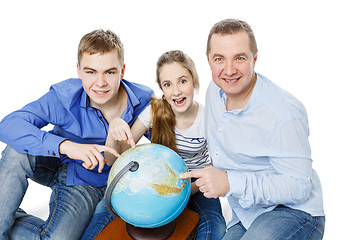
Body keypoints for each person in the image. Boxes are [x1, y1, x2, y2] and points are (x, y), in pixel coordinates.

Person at [0, 29, 153, 240]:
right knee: (16, 152)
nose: (100, 83)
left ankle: (9, 217)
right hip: (54, 160)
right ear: (79, 70)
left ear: (122, 71)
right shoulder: (64, 97)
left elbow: (171, 144)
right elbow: (9, 124)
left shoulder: (143, 101)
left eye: (109, 72)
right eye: (91, 72)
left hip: (87, 182)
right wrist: (67, 146)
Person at [180, 19, 325, 239]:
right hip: (247, 213)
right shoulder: (214, 92)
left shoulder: (283, 113)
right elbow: (219, 155)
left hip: (294, 212)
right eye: (220, 59)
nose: (229, 70)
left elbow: (299, 187)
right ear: (209, 60)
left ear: (254, 59)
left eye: (239, 58)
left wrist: (230, 182)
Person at [81, 50, 226, 240]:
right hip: (156, 181)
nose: (176, 91)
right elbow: (118, 157)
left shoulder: (210, 119)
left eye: (183, 81)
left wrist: (186, 192)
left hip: (197, 184)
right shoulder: (154, 111)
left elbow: (217, 168)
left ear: (194, 82)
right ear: (162, 90)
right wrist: (114, 127)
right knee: (103, 212)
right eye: (168, 84)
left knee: (215, 224)